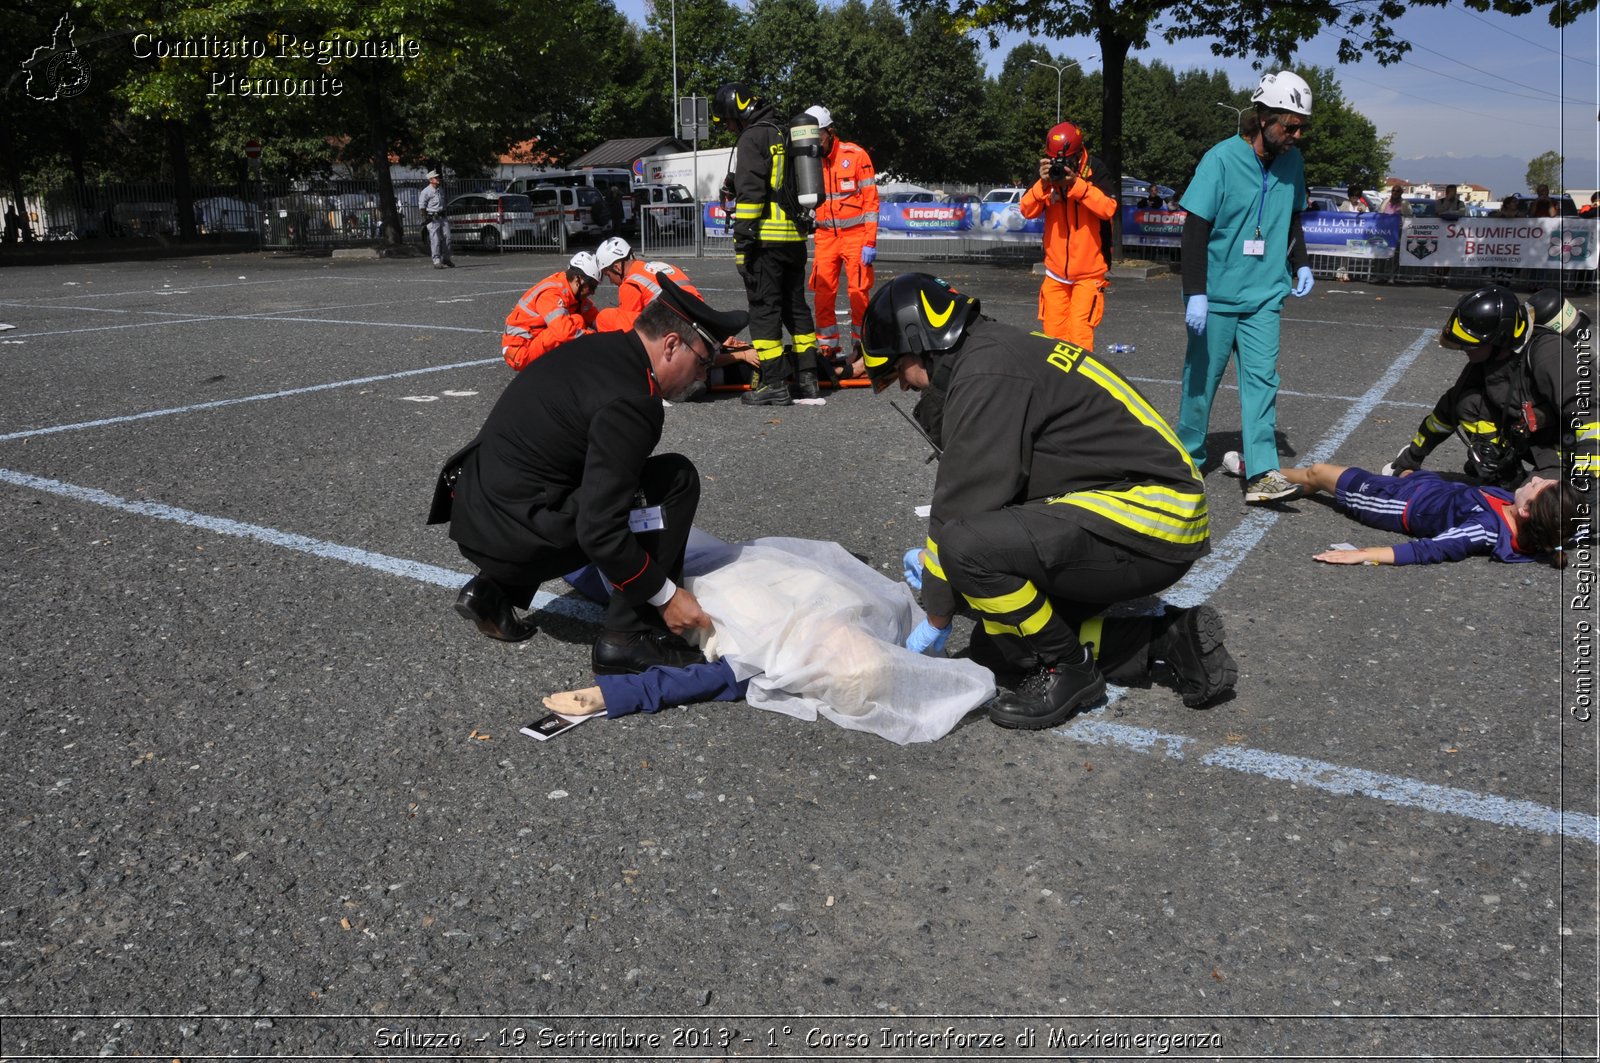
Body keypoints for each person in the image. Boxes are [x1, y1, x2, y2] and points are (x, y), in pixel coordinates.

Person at [859, 273, 1238, 729]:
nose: (902, 386)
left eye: (896, 371)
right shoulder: (994, 351)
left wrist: (936, 617)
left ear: (919, 342)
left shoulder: (987, 372)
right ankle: (1166, 638)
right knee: (997, 647)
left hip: (1151, 513)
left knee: (964, 547)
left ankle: (1070, 669)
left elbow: (960, 511)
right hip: (1137, 510)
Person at [429, 276, 749, 675]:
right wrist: (666, 596)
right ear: (670, 345)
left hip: (476, 511)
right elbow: (600, 529)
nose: (702, 377)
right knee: (674, 480)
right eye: (702, 362)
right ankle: (628, 638)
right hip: (514, 530)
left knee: (592, 475)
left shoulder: (601, 348)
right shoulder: (634, 401)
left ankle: (493, 589)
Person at [1178, 70, 1315, 505]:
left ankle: (1262, 472)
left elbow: (1293, 217)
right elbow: (1195, 228)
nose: (1295, 134)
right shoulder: (1220, 159)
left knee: (1262, 383)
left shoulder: (1293, 162)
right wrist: (1195, 290)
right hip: (1215, 296)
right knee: (1201, 381)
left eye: (1301, 127)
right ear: (1263, 117)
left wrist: (1302, 263)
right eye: (1289, 125)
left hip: (1264, 295)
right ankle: (1187, 458)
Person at [1383, 285, 1598, 488]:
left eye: (1469, 344)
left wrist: (1588, 478)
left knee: (1545, 510)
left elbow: (1589, 413)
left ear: (1499, 339)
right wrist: (1411, 458)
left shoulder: (1550, 353)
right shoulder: (1488, 362)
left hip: (1566, 447)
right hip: (1533, 441)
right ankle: (1507, 474)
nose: (1463, 349)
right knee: (1468, 403)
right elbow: (1446, 412)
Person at [712, 81, 821, 406]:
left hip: (765, 242)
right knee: (796, 309)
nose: (729, 127)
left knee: (764, 311)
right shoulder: (783, 132)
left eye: (728, 121)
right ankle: (809, 379)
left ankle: (772, 383)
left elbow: (751, 197)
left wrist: (742, 244)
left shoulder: (752, 138)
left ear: (737, 112)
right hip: (794, 240)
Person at [1276, 463, 1577, 568]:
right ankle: (1287, 483)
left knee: (1318, 472)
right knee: (1406, 469)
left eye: (1537, 486)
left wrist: (1364, 554)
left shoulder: (1484, 530)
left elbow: (1432, 548)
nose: (1535, 479)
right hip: (1430, 488)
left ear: (1526, 512)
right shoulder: (1533, 516)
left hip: (1395, 502)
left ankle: (1257, 471)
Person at [592, 236, 759, 387]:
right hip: (703, 324)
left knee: (608, 318)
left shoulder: (630, 284)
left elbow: (633, 333)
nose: (611, 281)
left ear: (616, 267)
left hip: (681, 336)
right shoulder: (662, 266)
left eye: (608, 275)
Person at [1018, 120, 1117, 350]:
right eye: (1054, 160)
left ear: (1078, 154)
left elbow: (1108, 208)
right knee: (1052, 338)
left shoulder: (1095, 171)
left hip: (1088, 274)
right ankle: (1056, 385)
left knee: (1080, 337)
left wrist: (1076, 185)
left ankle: (1080, 386)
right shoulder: (1046, 176)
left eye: (1064, 160)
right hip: (1055, 273)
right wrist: (1042, 185)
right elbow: (1027, 210)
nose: (1059, 165)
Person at [804, 105, 879, 379]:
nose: (815, 143)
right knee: (823, 294)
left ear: (830, 132)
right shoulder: (807, 160)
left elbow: (871, 202)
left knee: (859, 293)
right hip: (825, 237)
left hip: (856, 236)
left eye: (819, 136)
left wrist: (870, 241)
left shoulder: (855, 155)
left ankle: (862, 348)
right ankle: (828, 350)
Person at [500, 252, 601, 371]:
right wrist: (595, 339)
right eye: (591, 286)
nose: (593, 292)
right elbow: (564, 333)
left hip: (532, 341)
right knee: (575, 323)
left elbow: (597, 319)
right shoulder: (552, 294)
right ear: (577, 279)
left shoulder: (574, 294)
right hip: (520, 352)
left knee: (576, 322)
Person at [418, 170, 454, 269]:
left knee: (448, 238)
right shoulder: (426, 191)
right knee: (435, 240)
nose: (438, 179)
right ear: (430, 180)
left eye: (437, 177)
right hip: (433, 218)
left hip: (442, 217)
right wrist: (427, 218)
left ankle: (446, 259)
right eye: (436, 178)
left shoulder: (440, 189)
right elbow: (422, 207)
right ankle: (436, 261)